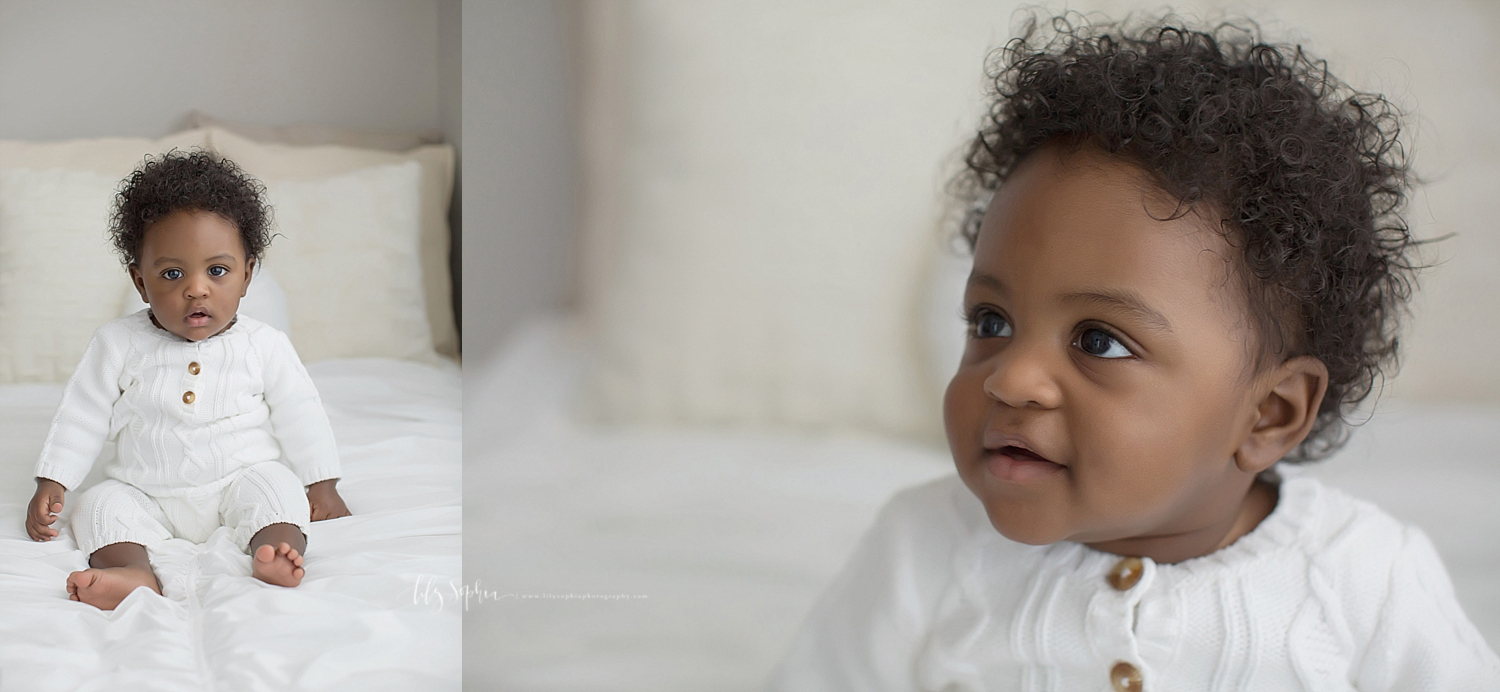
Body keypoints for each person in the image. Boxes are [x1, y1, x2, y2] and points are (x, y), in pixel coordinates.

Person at [769, 14, 1500, 691]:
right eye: (991, 322)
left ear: (1268, 415)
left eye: (1099, 341)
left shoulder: (1363, 580)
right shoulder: (924, 550)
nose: (1013, 378)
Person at [24, 150, 352, 610]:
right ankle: (132, 572)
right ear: (141, 283)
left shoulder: (265, 344)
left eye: (217, 271)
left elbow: (302, 413)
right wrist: (53, 480)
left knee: (278, 487)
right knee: (97, 506)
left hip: (239, 480)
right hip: (145, 491)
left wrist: (322, 483)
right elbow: (83, 413)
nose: (196, 288)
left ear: (246, 276)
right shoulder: (117, 343)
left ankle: (274, 551)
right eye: (172, 273)